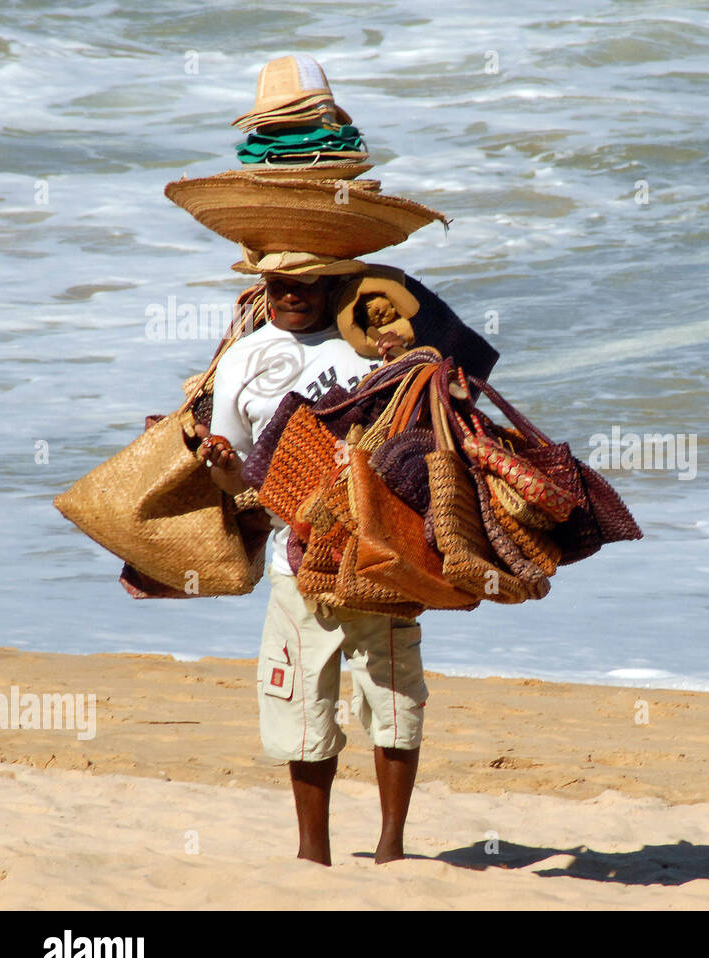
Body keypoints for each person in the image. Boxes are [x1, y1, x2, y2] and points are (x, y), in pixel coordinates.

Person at [194, 266, 490, 864]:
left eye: (307, 281)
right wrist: (218, 462)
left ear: (334, 283)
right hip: (294, 558)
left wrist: (402, 339)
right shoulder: (243, 359)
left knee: (395, 700)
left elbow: (461, 377)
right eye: (279, 282)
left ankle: (391, 849)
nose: (290, 292)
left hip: (381, 552)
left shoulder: (376, 335)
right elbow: (238, 474)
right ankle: (312, 854)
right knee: (302, 705)